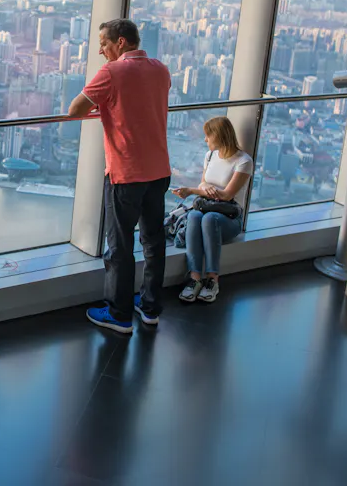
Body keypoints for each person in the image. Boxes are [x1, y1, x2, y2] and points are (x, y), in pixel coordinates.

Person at [67, 19, 171, 332]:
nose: (101, 51)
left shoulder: (112, 73)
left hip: (126, 172)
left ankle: (119, 313)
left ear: (121, 42)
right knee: (154, 241)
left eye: (104, 43)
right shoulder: (161, 69)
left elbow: (75, 110)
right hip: (159, 169)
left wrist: (105, 108)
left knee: (120, 246)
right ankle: (150, 307)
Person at [171, 117, 252, 303]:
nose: (205, 140)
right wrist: (204, 186)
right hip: (209, 210)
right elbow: (204, 183)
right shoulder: (210, 156)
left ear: (219, 135)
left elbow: (226, 195)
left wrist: (191, 190)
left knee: (209, 219)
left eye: (208, 135)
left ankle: (213, 279)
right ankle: (195, 278)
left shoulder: (243, 161)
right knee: (194, 215)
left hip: (230, 218)